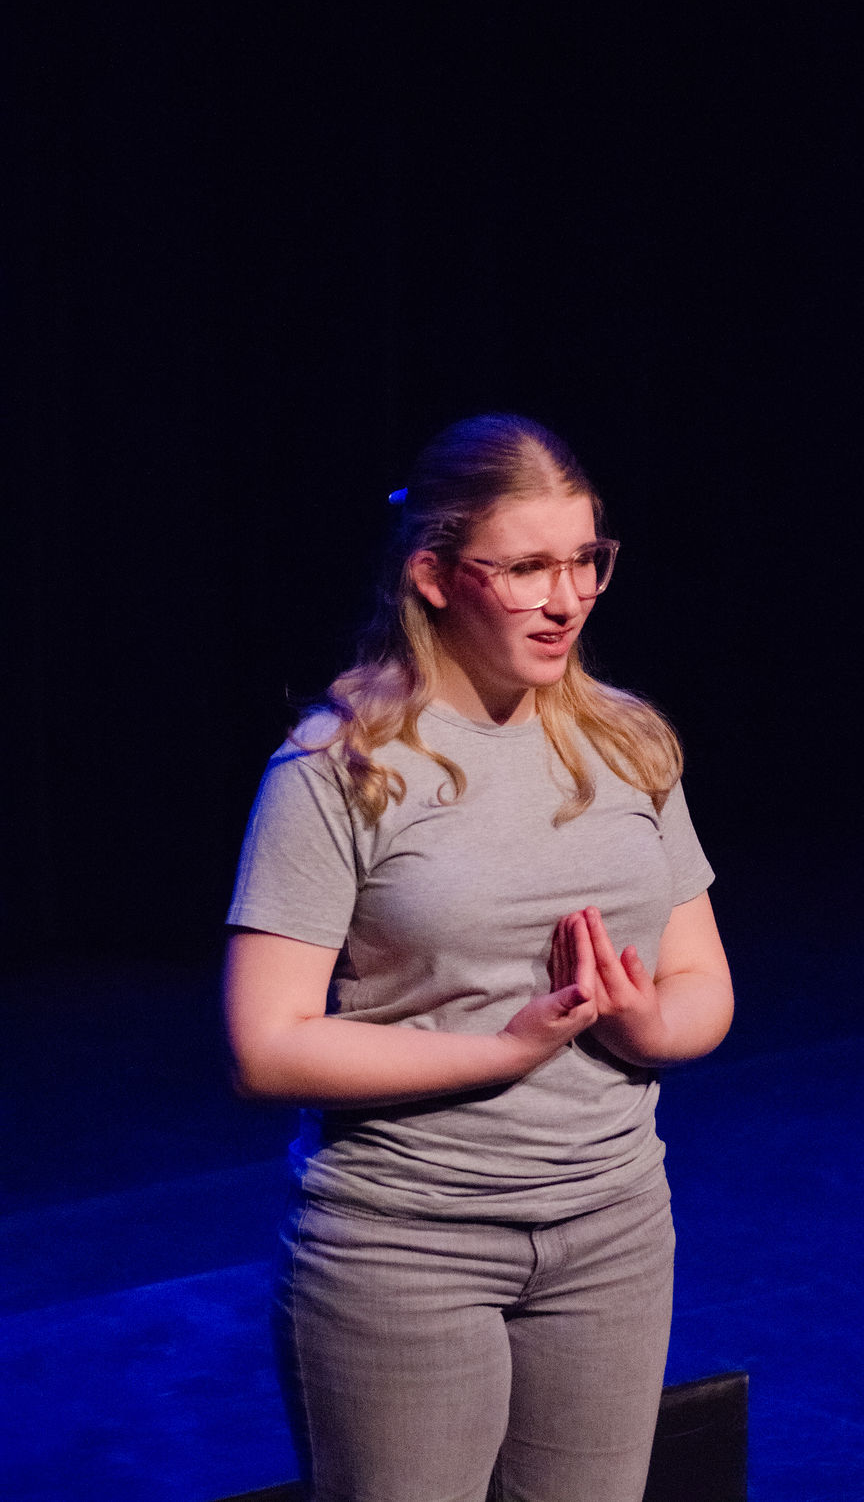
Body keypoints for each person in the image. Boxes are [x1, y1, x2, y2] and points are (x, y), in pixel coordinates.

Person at [223, 413, 733, 1502]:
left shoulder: (629, 743)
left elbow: (703, 984)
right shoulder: (340, 766)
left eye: (586, 559)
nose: (568, 598)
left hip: (613, 1228)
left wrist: (645, 1024)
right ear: (434, 575)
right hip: (406, 1246)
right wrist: (499, 1052)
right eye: (527, 568)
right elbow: (266, 1045)